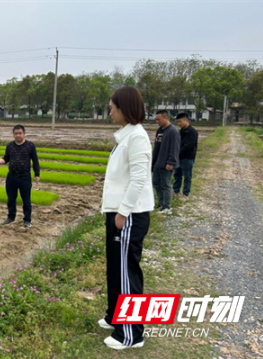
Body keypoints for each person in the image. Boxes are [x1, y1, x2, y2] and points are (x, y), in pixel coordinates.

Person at [99, 86, 155, 350]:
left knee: (126, 270)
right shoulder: (126, 136)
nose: (110, 111)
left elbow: (140, 178)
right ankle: (115, 317)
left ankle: (131, 334)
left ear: (125, 108)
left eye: (112, 106)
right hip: (118, 213)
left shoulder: (137, 137)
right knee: (115, 268)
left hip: (129, 215)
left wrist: (123, 212)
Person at [0, 124, 40, 228]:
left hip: (24, 177)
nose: (18, 135)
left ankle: (27, 220)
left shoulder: (30, 146)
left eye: (20, 133)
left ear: (24, 134)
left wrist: (37, 174)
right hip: (11, 177)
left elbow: (35, 161)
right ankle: (11, 217)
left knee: (26, 200)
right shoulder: (10, 146)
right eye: (16, 133)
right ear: (13, 135)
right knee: (11, 199)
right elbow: (5, 159)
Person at [152, 110, 180, 215]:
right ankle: (160, 204)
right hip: (157, 162)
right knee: (156, 183)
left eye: (159, 119)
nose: (157, 121)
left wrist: (171, 162)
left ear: (166, 118)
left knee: (165, 184)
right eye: (156, 119)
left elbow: (175, 148)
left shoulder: (173, 131)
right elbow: (157, 147)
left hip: (166, 163)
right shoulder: (159, 130)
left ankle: (167, 207)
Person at [173, 113, 198, 198]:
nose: (178, 124)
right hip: (178, 157)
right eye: (177, 122)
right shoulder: (180, 132)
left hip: (187, 157)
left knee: (187, 176)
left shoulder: (193, 132)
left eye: (180, 122)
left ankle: (185, 193)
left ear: (186, 120)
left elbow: (188, 146)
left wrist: (178, 152)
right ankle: (176, 191)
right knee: (177, 175)